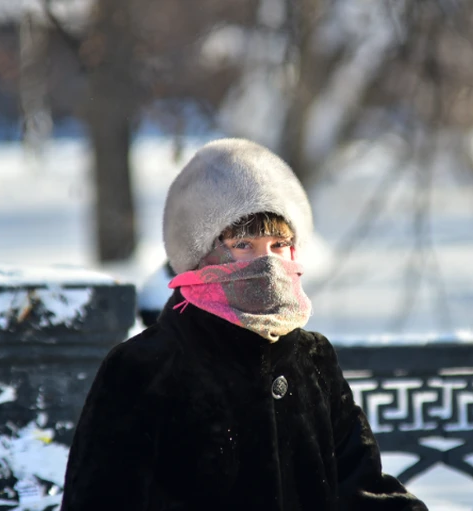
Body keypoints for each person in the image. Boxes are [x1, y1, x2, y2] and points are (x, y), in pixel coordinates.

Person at [60, 138, 428, 511]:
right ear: (199, 253)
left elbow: (361, 488)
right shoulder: (142, 366)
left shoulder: (312, 357)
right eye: (243, 244)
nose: (266, 263)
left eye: (278, 244)